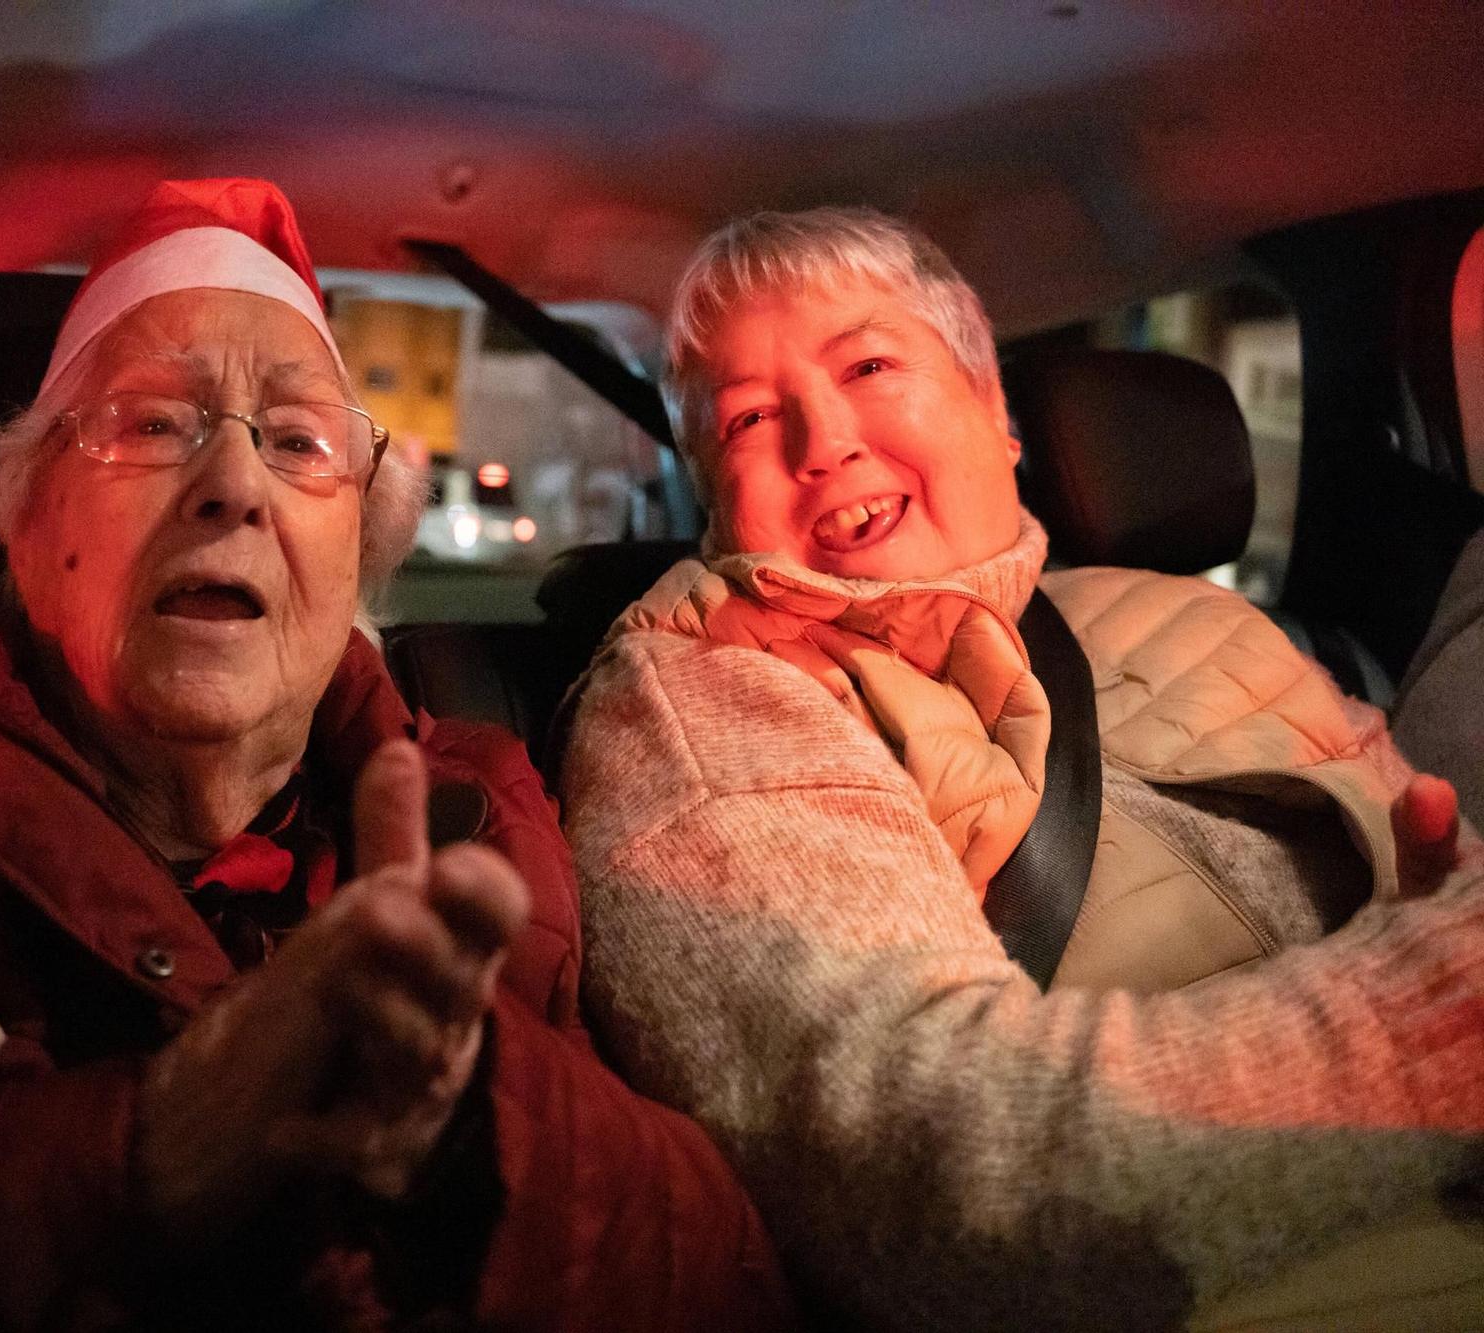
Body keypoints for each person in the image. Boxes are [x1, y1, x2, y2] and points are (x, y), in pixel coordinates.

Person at [0, 179, 791, 1330]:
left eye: (298, 443)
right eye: (155, 423)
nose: (235, 486)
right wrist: (137, 1157)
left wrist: (485, 1139)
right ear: (25, 508)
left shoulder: (484, 811)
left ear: (359, 553)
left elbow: (731, 1282)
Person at [561, 205, 1484, 1329]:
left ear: (995, 409)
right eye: (749, 417)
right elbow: (940, 1187)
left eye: (866, 361)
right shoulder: (704, 688)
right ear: (713, 501)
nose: (822, 440)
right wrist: (1422, 1030)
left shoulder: (1203, 620)